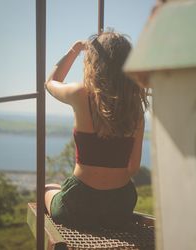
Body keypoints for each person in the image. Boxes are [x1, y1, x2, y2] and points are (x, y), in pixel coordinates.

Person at [45, 31, 148, 230]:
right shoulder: (136, 110)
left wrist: (74, 50)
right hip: (120, 204)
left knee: (47, 187)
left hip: (78, 203)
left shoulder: (80, 94)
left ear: (94, 65)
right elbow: (132, 167)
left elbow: (50, 83)